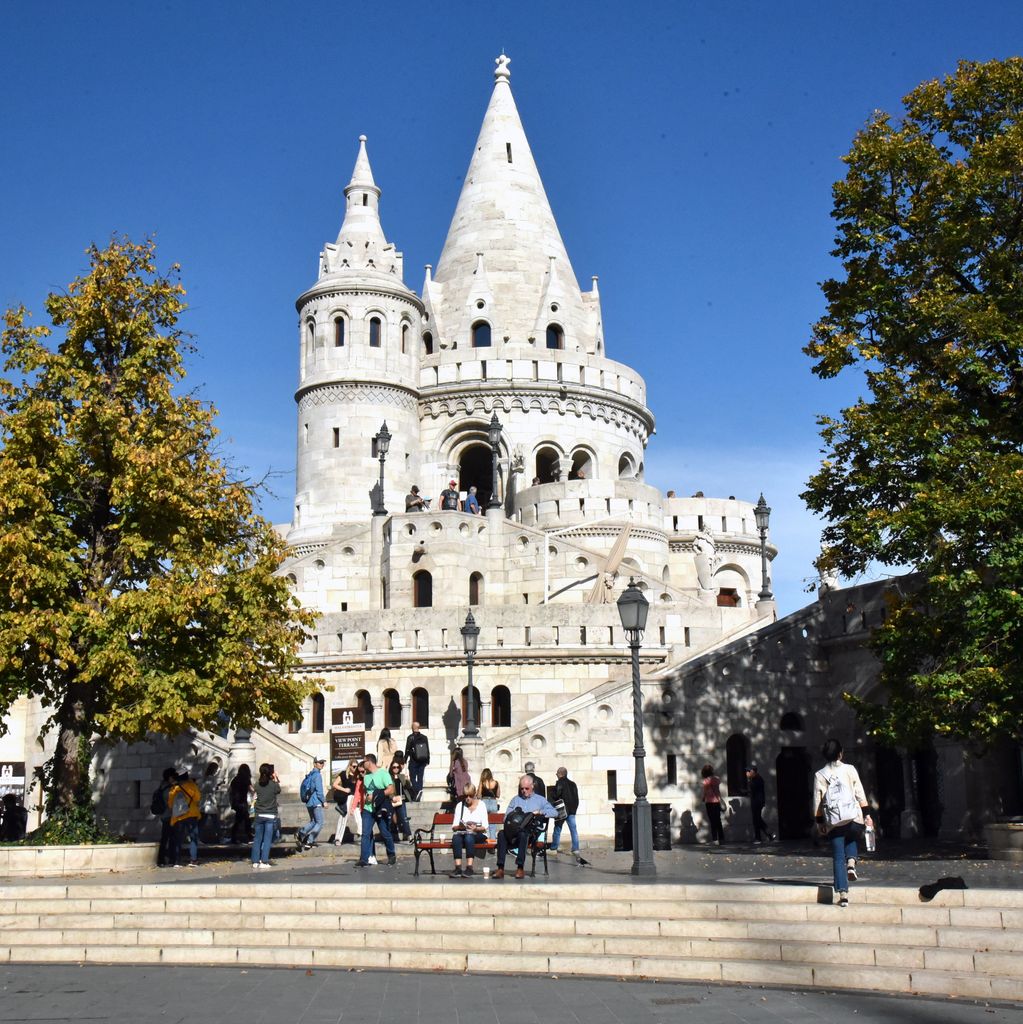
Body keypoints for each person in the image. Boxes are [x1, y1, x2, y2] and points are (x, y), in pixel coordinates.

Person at [814, 738, 872, 908]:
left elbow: (817, 800)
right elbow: (859, 792)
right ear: (840, 753)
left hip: (834, 821)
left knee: (838, 857)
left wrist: (819, 822)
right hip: (853, 816)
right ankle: (852, 863)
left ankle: (843, 894)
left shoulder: (820, 775)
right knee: (851, 836)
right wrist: (867, 814)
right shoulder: (850, 769)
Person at [495, 774, 557, 879]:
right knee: (501, 834)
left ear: (532, 786)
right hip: (513, 831)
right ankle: (500, 868)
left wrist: (540, 812)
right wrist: (513, 818)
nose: (524, 791)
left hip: (530, 834)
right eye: (522, 788)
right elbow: (505, 817)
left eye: (526, 788)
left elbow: (554, 812)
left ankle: (520, 868)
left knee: (524, 834)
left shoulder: (540, 800)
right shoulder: (515, 800)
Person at [357, 753, 397, 867]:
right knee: (365, 833)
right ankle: (364, 858)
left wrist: (376, 795)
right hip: (368, 809)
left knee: (385, 833)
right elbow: (366, 791)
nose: (362, 764)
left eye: (364, 761)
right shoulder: (366, 777)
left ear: (369, 762)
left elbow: (391, 789)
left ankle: (391, 855)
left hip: (380, 808)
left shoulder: (383, 774)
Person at [450, 783, 489, 877]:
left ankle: (469, 867)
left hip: (478, 833)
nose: (467, 798)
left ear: (474, 794)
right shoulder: (460, 805)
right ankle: (458, 867)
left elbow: (485, 826)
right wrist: (461, 827)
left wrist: (476, 828)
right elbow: (454, 826)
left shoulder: (481, 805)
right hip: (464, 831)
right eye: (465, 796)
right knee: (456, 838)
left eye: (470, 796)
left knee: (469, 837)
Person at [168, 771, 202, 867]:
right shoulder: (192, 786)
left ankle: (177, 861)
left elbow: (170, 805)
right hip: (191, 814)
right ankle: (193, 860)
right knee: (193, 838)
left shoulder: (174, 788)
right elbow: (198, 798)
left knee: (178, 839)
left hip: (178, 817)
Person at [251, 763, 280, 869]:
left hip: (259, 813)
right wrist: (276, 778)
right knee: (267, 839)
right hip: (270, 814)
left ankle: (255, 861)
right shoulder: (273, 785)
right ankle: (264, 861)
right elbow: (278, 790)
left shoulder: (257, 784)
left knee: (257, 838)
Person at [295, 757, 327, 851]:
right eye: (320, 762)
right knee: (320, 822)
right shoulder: (317, 775)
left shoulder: (310, 774)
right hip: (316, 802)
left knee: (313, 821)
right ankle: (309, 841)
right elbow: (319, 790)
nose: (322, 764)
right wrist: (324, 801)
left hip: (309, 802)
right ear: (315, 764)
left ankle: (301, 833)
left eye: (323, 762)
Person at [551, 766, 580, 856]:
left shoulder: (560, 782)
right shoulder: (573, 784)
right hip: (571, 811)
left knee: (557, 829)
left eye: (557, 774)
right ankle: (575, 849)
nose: (556, 775)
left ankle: (553, 848)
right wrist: (574, 809)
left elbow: (556, 795)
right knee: (573, 830)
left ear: (560, 774)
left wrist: (552, 792)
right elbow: (576, 798)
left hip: (562, 810)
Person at [152, 766, 177, 867]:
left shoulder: (161, 786)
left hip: (164, 815)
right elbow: (170, 802)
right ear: (170, 777)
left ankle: (162, 859)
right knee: (170, 838)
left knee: (165, 837)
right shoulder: (169, 788)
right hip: (169, 815)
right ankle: (168, 859)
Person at [746, 765, 773, 843]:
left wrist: (749, 779)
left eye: (748, 771)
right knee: (758, 819)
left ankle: (759, 838)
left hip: (757, 802)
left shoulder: (757, 779)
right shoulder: (755, 778)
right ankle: (770, 834)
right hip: (756, 801)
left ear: (752, 772)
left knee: (756, 820)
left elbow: (752, 788)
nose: (746, 773)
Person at [331, 762, 356, 845]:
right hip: (347, 798)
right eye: (354, 766)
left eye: (357, 766)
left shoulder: (358, 776)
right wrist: (344, 789)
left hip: (356, 799)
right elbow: (335, 784)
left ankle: (364, 836)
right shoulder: (344, 774)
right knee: (343, 817)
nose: (355, 768)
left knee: (361, 818)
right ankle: (338, 839)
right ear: (350, 766)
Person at [404, 721, 430, 800]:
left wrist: (404, 760)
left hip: (414, 761)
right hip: (423, 760)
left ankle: (418, 790)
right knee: (420, 777)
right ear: (419, 728)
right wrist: (428, 760)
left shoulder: (410, 737)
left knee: (412, 778)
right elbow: (427, 749)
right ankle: (419, 791)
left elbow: (407, 750)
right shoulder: (424, 737)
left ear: (412, 728)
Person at [388, 755, 412, 841]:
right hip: (391, 800)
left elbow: (408, 787)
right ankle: (394, 835)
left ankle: (408, 835)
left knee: (404, 818)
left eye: (397, 767)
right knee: (393, 819)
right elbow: (387, 789)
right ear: (391, 767)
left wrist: (407, 780)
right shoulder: (388, 777)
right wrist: (392, 797)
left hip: (401, 800)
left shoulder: (401, 776)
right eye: (394, 767)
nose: (396, 769)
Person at [228, 764, 253, 844]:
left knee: (241, 819)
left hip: (236, 802)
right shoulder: (246, 779)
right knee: (244, 819)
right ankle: (248, 836)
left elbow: (230, 790)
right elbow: (251, 789)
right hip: (242, 801)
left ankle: (236, 837)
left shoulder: (235, 779)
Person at [701, 764, 725, 845]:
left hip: (710, 802)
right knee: (718, 821)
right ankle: (721, 839)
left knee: (712, 821)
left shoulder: (705, 781)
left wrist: (703, 798)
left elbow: (705, 792)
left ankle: (715, 840)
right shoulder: (717, 779)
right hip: (717, 802)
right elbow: (717, 789)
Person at [479, 768, 501, 839]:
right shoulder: (496, 783)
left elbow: (479, 795)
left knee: (485, 825)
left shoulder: (482, 782)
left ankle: (486, 843)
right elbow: (498, 795)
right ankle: (492, 843)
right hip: (493, 802)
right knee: (493, 825)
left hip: (484, 802)